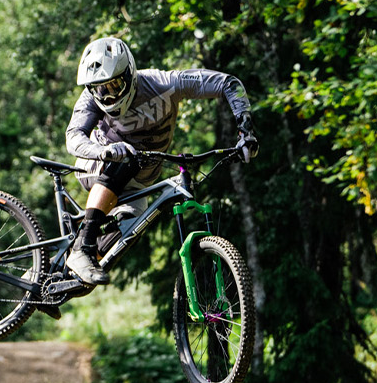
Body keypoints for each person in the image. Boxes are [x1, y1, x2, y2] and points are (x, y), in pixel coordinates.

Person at [63, 36, 258, 285]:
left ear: (130, 73)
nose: (108, 96)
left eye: (114, 86)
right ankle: (82, 248)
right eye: (101, 88)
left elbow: (228, 83)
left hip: (136, 184)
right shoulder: (90, 97)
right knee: (126, 159)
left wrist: (246, 131)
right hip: (98, 166)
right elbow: (73, 138)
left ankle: (58, 275)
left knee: (117, 244)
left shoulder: (164, 83)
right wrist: (104, 151)